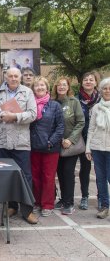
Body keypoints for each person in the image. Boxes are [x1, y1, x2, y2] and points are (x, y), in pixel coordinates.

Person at [0, 67, 38, 224]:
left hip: (21, 142)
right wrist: (1, 115)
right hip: (1, 141)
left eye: (16, 76)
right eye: (10, 76)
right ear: (6, 77)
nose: (13, 78)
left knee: (25, 176)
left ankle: (27, 210)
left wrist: (14, 116)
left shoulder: (27, 92)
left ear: (20, 77)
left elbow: (33, 114)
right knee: (6, 176)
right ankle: (11, 206)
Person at [30, 77, 64, 217]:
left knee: (48, 177)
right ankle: (37, 202)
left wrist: (51, 141)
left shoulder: (54, 105)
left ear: (47, 88)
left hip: (50, 148)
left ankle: (47, 204)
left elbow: (60, 126)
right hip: (33, 147)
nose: (39, 88)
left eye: (42, 85)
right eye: (36, 86)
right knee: (35, 177)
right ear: (33, 89)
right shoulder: (29, 104)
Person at [51, 77, 85, 215]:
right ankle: (63, 199)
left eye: (64, 85)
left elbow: (81, 122)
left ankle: (69, 202)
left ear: (68, 87)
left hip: (70, 145)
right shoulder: (52, 103)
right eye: (59, 85)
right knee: (60, 173)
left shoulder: (74, 102)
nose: (61, 87)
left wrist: (70, 139)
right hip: (56, 144)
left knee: (68, 172)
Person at [86, 77, 110, 219]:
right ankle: (105, 206)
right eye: (105, 88)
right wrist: (88, 148)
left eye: (109, 88)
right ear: (101, 90)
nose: (107, 91)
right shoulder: (96, 107)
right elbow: (91, 128)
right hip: (97, 148)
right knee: (100, 179)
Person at [77, 71, 101, 210]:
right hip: (82, 139)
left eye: (91, 80)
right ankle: (85, 196)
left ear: (95, 82)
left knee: (100, 170)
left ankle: (101, 196)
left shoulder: (102, 100)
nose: (88, 82)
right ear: (81, 82)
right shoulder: (76, 99)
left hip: (98, 140)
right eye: (85, 79)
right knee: (85, 169)